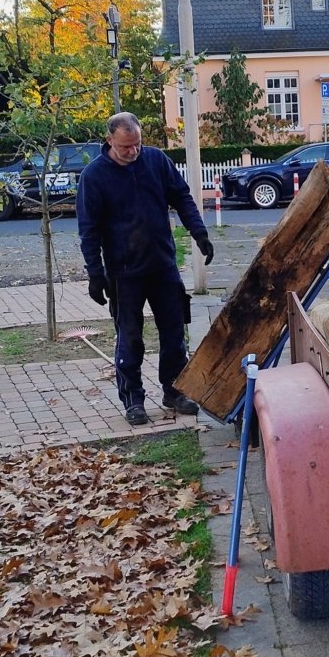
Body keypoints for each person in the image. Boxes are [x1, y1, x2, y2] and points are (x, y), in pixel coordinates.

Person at [78, 112, 214, 426]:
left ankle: (174, 390)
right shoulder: (94, 177)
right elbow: (89, 230)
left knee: (174, 332)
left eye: (137, 144)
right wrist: (95, 274)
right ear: (110, 140)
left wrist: (199, 233)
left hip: (163, 265)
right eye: (126, 147)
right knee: (130, 339)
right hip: (124, 273)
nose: (133, 152)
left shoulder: (155, 161)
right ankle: (133, 400)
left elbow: (181, 197)